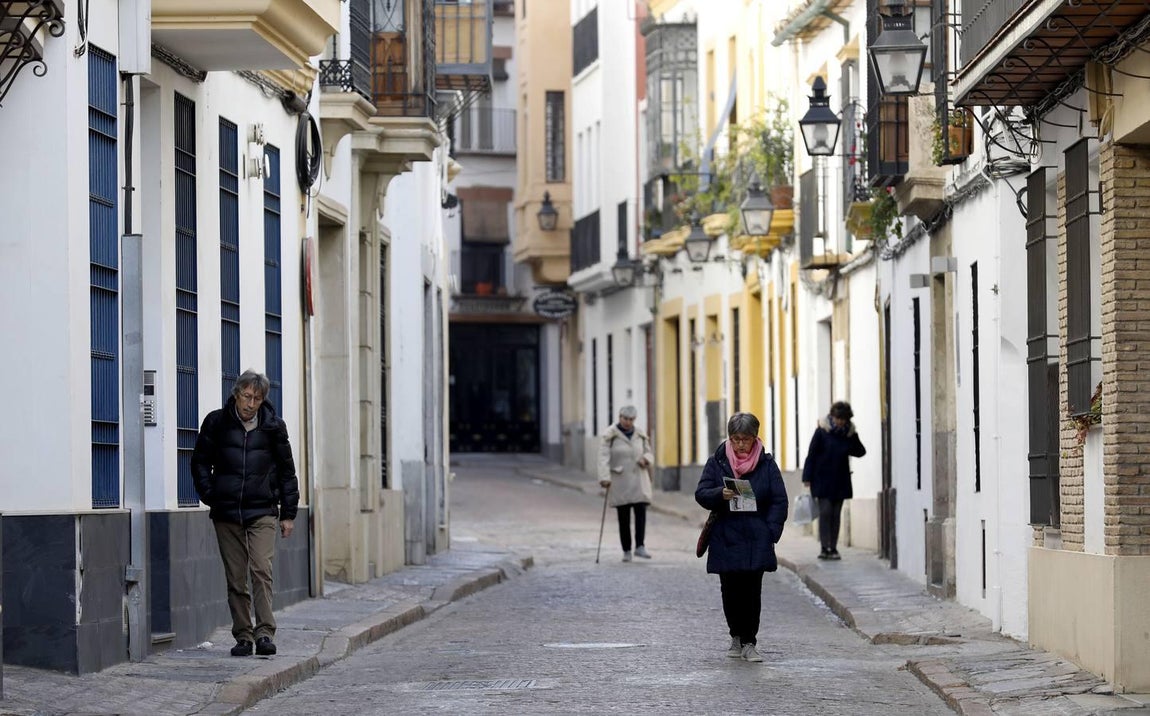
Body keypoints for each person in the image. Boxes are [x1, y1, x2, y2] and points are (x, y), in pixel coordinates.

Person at [191, 370, 299, 657]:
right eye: (247, 396)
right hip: (227, 513)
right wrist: (211, 495)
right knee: (236, 577)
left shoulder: (274, 427)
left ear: (263, 400)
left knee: (261, 569)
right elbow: (199, 462)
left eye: (257, 399)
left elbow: (287, 472)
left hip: (263, 510)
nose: (251, 404)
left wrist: (288, 514)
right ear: (236, 394)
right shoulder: (216, 423)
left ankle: (264, 633)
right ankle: (243, 635)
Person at [695, 412, 788, 663]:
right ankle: (735, 635)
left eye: (745, 439)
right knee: (730, 591)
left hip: (756, 537)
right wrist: (719, 494)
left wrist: (771, 531)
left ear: (754, 438)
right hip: (726, 535)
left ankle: (749, 641)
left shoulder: (767, 465)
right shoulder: (717, 461)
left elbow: (779, 500)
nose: (740, 445)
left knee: (752, 592)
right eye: (735, 439)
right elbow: (701, 493)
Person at [802, 400, 867, 561]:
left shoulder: (849, 434)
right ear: (832, 417)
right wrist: (807, 477)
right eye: (838, 418)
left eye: (843, 419)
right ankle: (825, 548)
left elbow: (860, 451)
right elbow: (811, 455)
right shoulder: (822, 431)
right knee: (825, 512)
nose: (840, 422)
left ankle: (833, 547)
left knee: (836, 514)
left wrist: (852, 437)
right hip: (822, 480)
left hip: (840, 480)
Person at [598, 405, 655, 562]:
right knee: (623, 516)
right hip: (620, 480)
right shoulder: (610, 435)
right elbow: (603, 457)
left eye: (631, 419)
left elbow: (649, 452)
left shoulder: (640, 434)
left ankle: (640, 546)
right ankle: (626, 550)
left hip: (638, 479)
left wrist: (646, 459)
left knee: (640, 512)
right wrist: (604, 477)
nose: (628, 422)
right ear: (620, 417)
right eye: (625, 419)